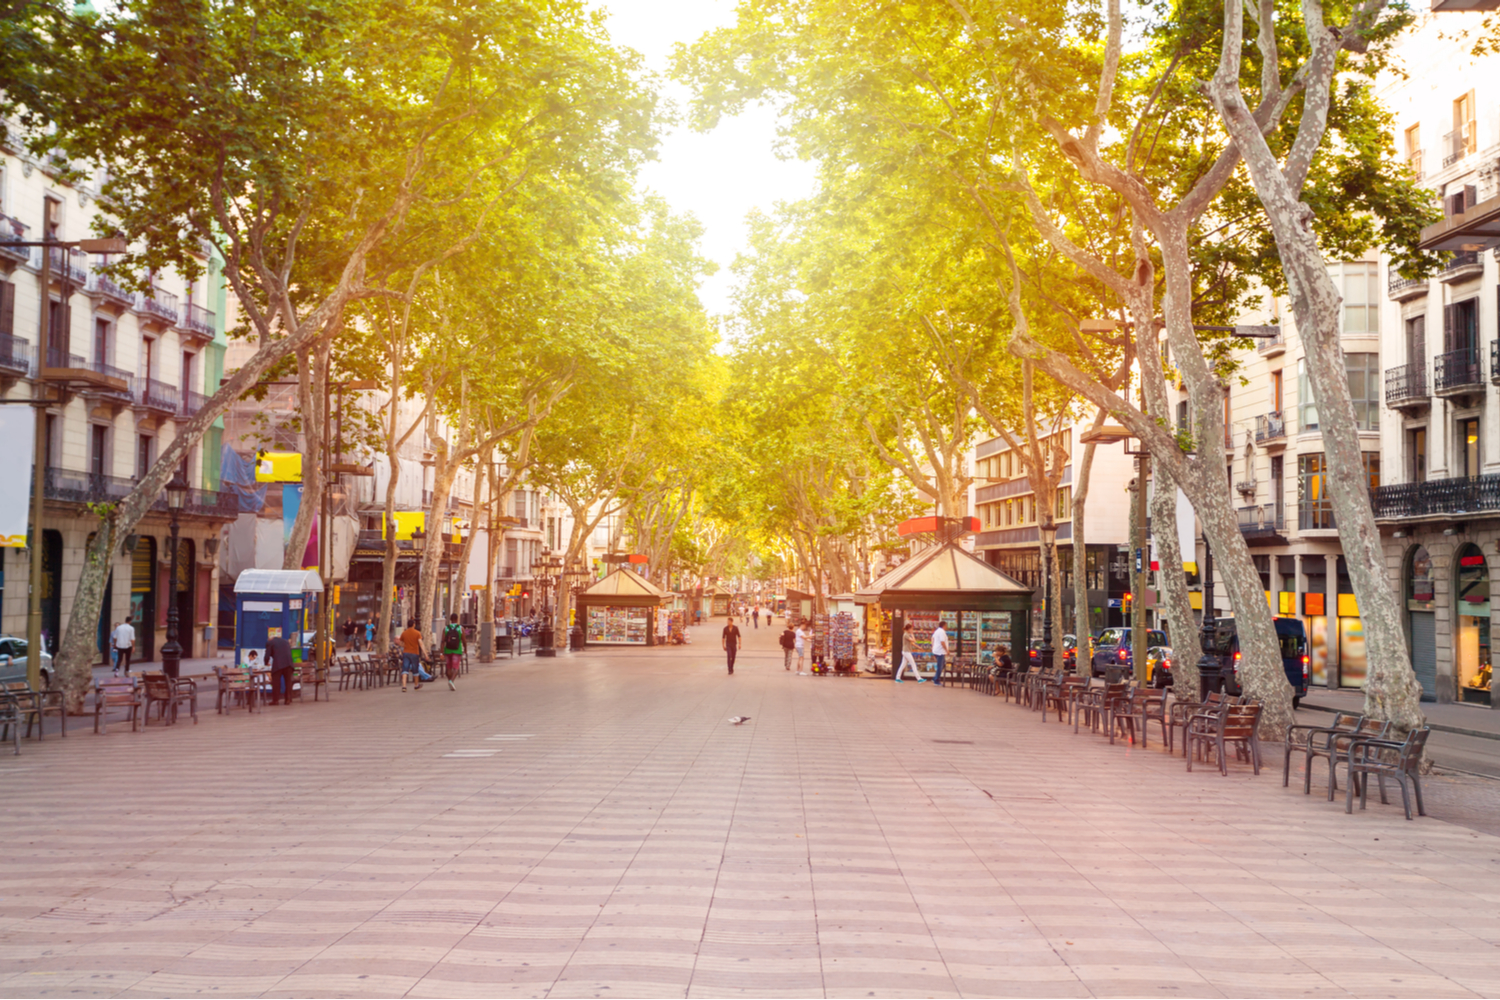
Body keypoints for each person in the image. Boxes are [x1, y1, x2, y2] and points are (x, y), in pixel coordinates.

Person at [399, 618, 432, 690]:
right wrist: (425, 654)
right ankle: (416, 685)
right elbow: (421, 643)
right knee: (415, 670)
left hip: (406, 653)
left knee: (405, 669)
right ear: (413, 625)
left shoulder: (404, 633)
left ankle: (404, 686)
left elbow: (400, 643)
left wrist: (406, 645)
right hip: (414, 653)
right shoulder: (417, 633)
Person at [266, 632, 295, 705]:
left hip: (278, 664)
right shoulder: (285, 641)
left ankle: (275, 700)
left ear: (269, 639)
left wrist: (266, 663)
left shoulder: (270, 642)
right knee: (288, 682)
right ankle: (288, 699)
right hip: (289, 664)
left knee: (276, 682)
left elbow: (267, 656)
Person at [441, 613, 464, 691]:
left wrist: (441, 652)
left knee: (448, 667)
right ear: (457, 619)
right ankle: (451, 681)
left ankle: (450, 681)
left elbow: (442, 641)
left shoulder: (446, 628)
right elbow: (464, 640)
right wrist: (466, 648)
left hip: (447, 650)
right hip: (457, 650)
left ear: (450, 620)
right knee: (456, 667)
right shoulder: (460, 628)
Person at [931, 620, 949, 686]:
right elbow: (942, 642)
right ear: (944, 625)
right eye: (946, 625)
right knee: (940, 666)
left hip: (936, 651)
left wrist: (933, 646)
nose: (947, 627)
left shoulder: (937, 631)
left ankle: (934, 678)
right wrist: (947, 650)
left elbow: (932, 638)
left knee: (942, 664)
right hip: (940, 652)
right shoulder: (942, 632)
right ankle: (936, 681)